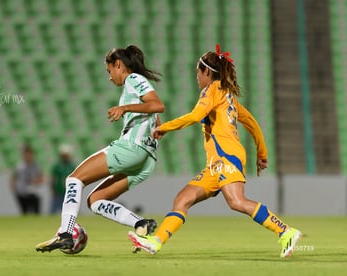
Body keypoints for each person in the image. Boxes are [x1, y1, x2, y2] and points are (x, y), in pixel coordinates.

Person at [128, 44, 302, 258]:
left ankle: (286, 231)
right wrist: (262, 154)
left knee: (236, 201)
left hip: (226, 156)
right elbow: (252, 123)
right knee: (183, 198)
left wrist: (164, 127)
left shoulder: (212, 90)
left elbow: (194, 116)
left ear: (206, 72)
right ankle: (155, 242)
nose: (197, 78)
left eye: (197, 73)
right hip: (216, 162)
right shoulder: (228, 96)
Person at [36, 45, 165, 252]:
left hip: (130, 149)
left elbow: (158, 105)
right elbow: (156, 120)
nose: (109, 77)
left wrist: (124, 108)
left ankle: (66, 233)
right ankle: (141, 224)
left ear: (118, 65)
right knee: (95, 201)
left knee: (74, 179)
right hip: (146, 159)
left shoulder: (133, 79)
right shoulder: (134, 86)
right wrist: (157, 131)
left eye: (109, 71)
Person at [10, 145, 45, 215]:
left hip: (34, 192)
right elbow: (14, 177)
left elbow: (41, 177)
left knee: (36, 213)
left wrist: (36, 181)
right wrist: (14, 188)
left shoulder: (36, 165)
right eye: (26, 155)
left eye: (29, 155)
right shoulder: (20, 166)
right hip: (22, 192)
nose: (28, 156)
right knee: (24, 212)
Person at [50, 144, 77, 214]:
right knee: (53, 211)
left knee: (69, 211)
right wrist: (53, 190)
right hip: (58, 192)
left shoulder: (72, 166)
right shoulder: (57, 166)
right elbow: (53, 179)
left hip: (69, 193)